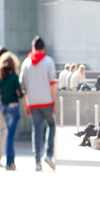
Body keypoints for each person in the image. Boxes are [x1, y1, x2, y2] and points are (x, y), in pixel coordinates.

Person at [21, 36, 58, 171]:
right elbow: (52, 83)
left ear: (33, 48)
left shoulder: (25, 63)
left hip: (33, 102)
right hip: (47, 100)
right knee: (51, 125)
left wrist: (26, 104)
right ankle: (49, 154)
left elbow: (23, 87)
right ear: (44, 48)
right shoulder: (48, 61)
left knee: (36, 130)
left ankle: (37, 161)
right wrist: (55, 102)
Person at [0, 51, 22, 170]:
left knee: (9, 135)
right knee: (10, 136)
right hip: (14, 107)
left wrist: (3, 100)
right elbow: (19, 93)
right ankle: (9, 162)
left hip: (4, 108)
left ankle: (12, 162)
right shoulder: (14, 77)